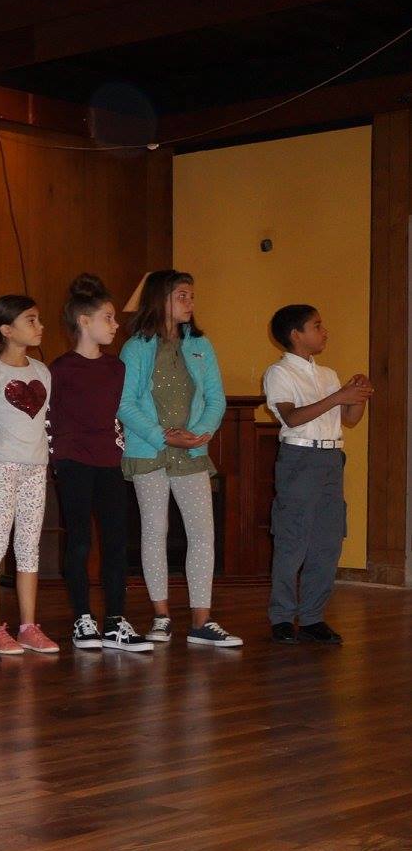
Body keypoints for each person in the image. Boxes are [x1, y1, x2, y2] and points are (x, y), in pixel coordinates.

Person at [118, 269, 240, 647]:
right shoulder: (136, 347)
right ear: (160, 300)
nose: (190, 303)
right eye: (182, 296)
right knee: (155, 531)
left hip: (192, 452)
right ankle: (161, 616)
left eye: (191, 296)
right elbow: (124, 403)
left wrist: (200, 433)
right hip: (149, 451)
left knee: (202, 533)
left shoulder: (200, 344)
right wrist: (162, 435)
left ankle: (202, 621)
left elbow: (216, 398)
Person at [50, 275, 149, 652]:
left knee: (116, 541)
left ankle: (115, 621)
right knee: (79, 540)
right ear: (84, 321)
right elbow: (50, 418)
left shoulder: (115, 368)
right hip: (74, 462)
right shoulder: (60, 368)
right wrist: (59, 458)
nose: (115, 324)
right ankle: (82, 618)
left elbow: (117, 414)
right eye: (108, 317)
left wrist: (119, 448)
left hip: (109, 462)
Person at [264, 304, 370, 644]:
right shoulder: (279, 372)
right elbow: (292, 417)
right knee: (292, 538)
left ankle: (312, 617)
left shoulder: (328, 374)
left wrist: (358, 395)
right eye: (317, 326)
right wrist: (339, 396)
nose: (325, 332)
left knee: (328, 540)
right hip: (300, 458)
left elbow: (350, 419)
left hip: (331, 458)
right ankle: (282, 617)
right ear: (296, 334)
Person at [0, 294, 57, 657]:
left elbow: (44, 423)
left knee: (28, 546)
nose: (40, 326)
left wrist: (41, 460)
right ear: (6, 330)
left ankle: (28, 626)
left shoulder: (42, 372)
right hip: (2, 468)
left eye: (39, 319)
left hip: (36, 468)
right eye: (31, 320)